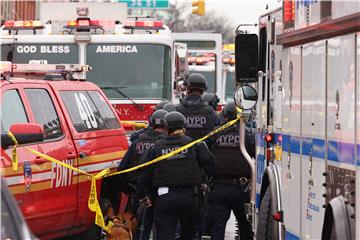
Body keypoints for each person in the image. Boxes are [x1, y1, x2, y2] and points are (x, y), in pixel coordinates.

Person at [141, 111, 216, 240]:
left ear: (165, 128)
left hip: (164, 198)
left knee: (165, 235)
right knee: (190, 235)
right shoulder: (195, 145)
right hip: (190, 197)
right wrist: (204, 181)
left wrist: (145, 194)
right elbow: (212, 166)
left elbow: (145, 172)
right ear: (183, 127)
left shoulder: (156, 148)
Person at [117, 109, 168, 240]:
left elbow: (122, 169)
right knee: (162, 229)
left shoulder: (137, 141)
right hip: (161, 192)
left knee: (140, 229)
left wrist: (128, 190)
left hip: (138, 192)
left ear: (151, 123)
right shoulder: (167, 144)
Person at [207, 101, 254, 240]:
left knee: (218, 227)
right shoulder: (248, 135)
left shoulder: (214, 134)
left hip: (219, 187)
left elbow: (205, 156)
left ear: (225, 116)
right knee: (245, 227)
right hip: (241, 188)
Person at [176, 73, 220, 141]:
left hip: (183, 151)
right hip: (204, 150)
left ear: (187, 88)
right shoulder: (211, 112)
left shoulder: (177, 110)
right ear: (203, 90)